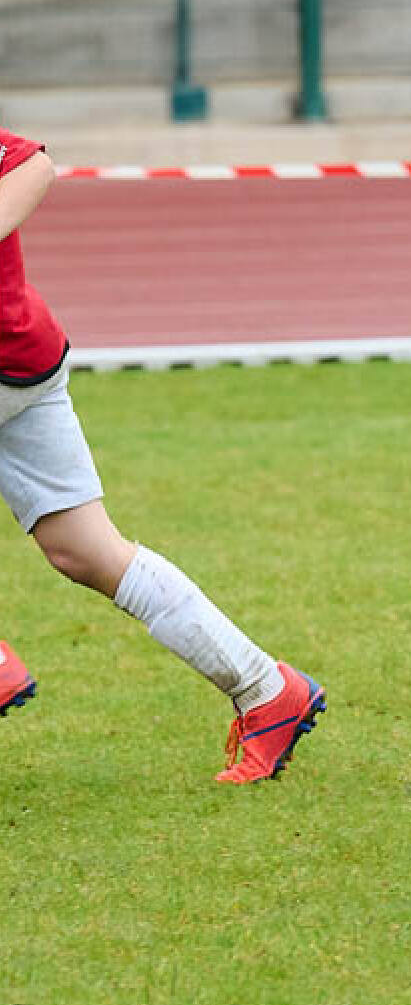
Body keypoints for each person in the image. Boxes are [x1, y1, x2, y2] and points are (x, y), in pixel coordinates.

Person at [0, 131, 324, 783]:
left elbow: (32, 164)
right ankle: (267, 690)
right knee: (87, 551)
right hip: (27, 359)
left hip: (9, 356)